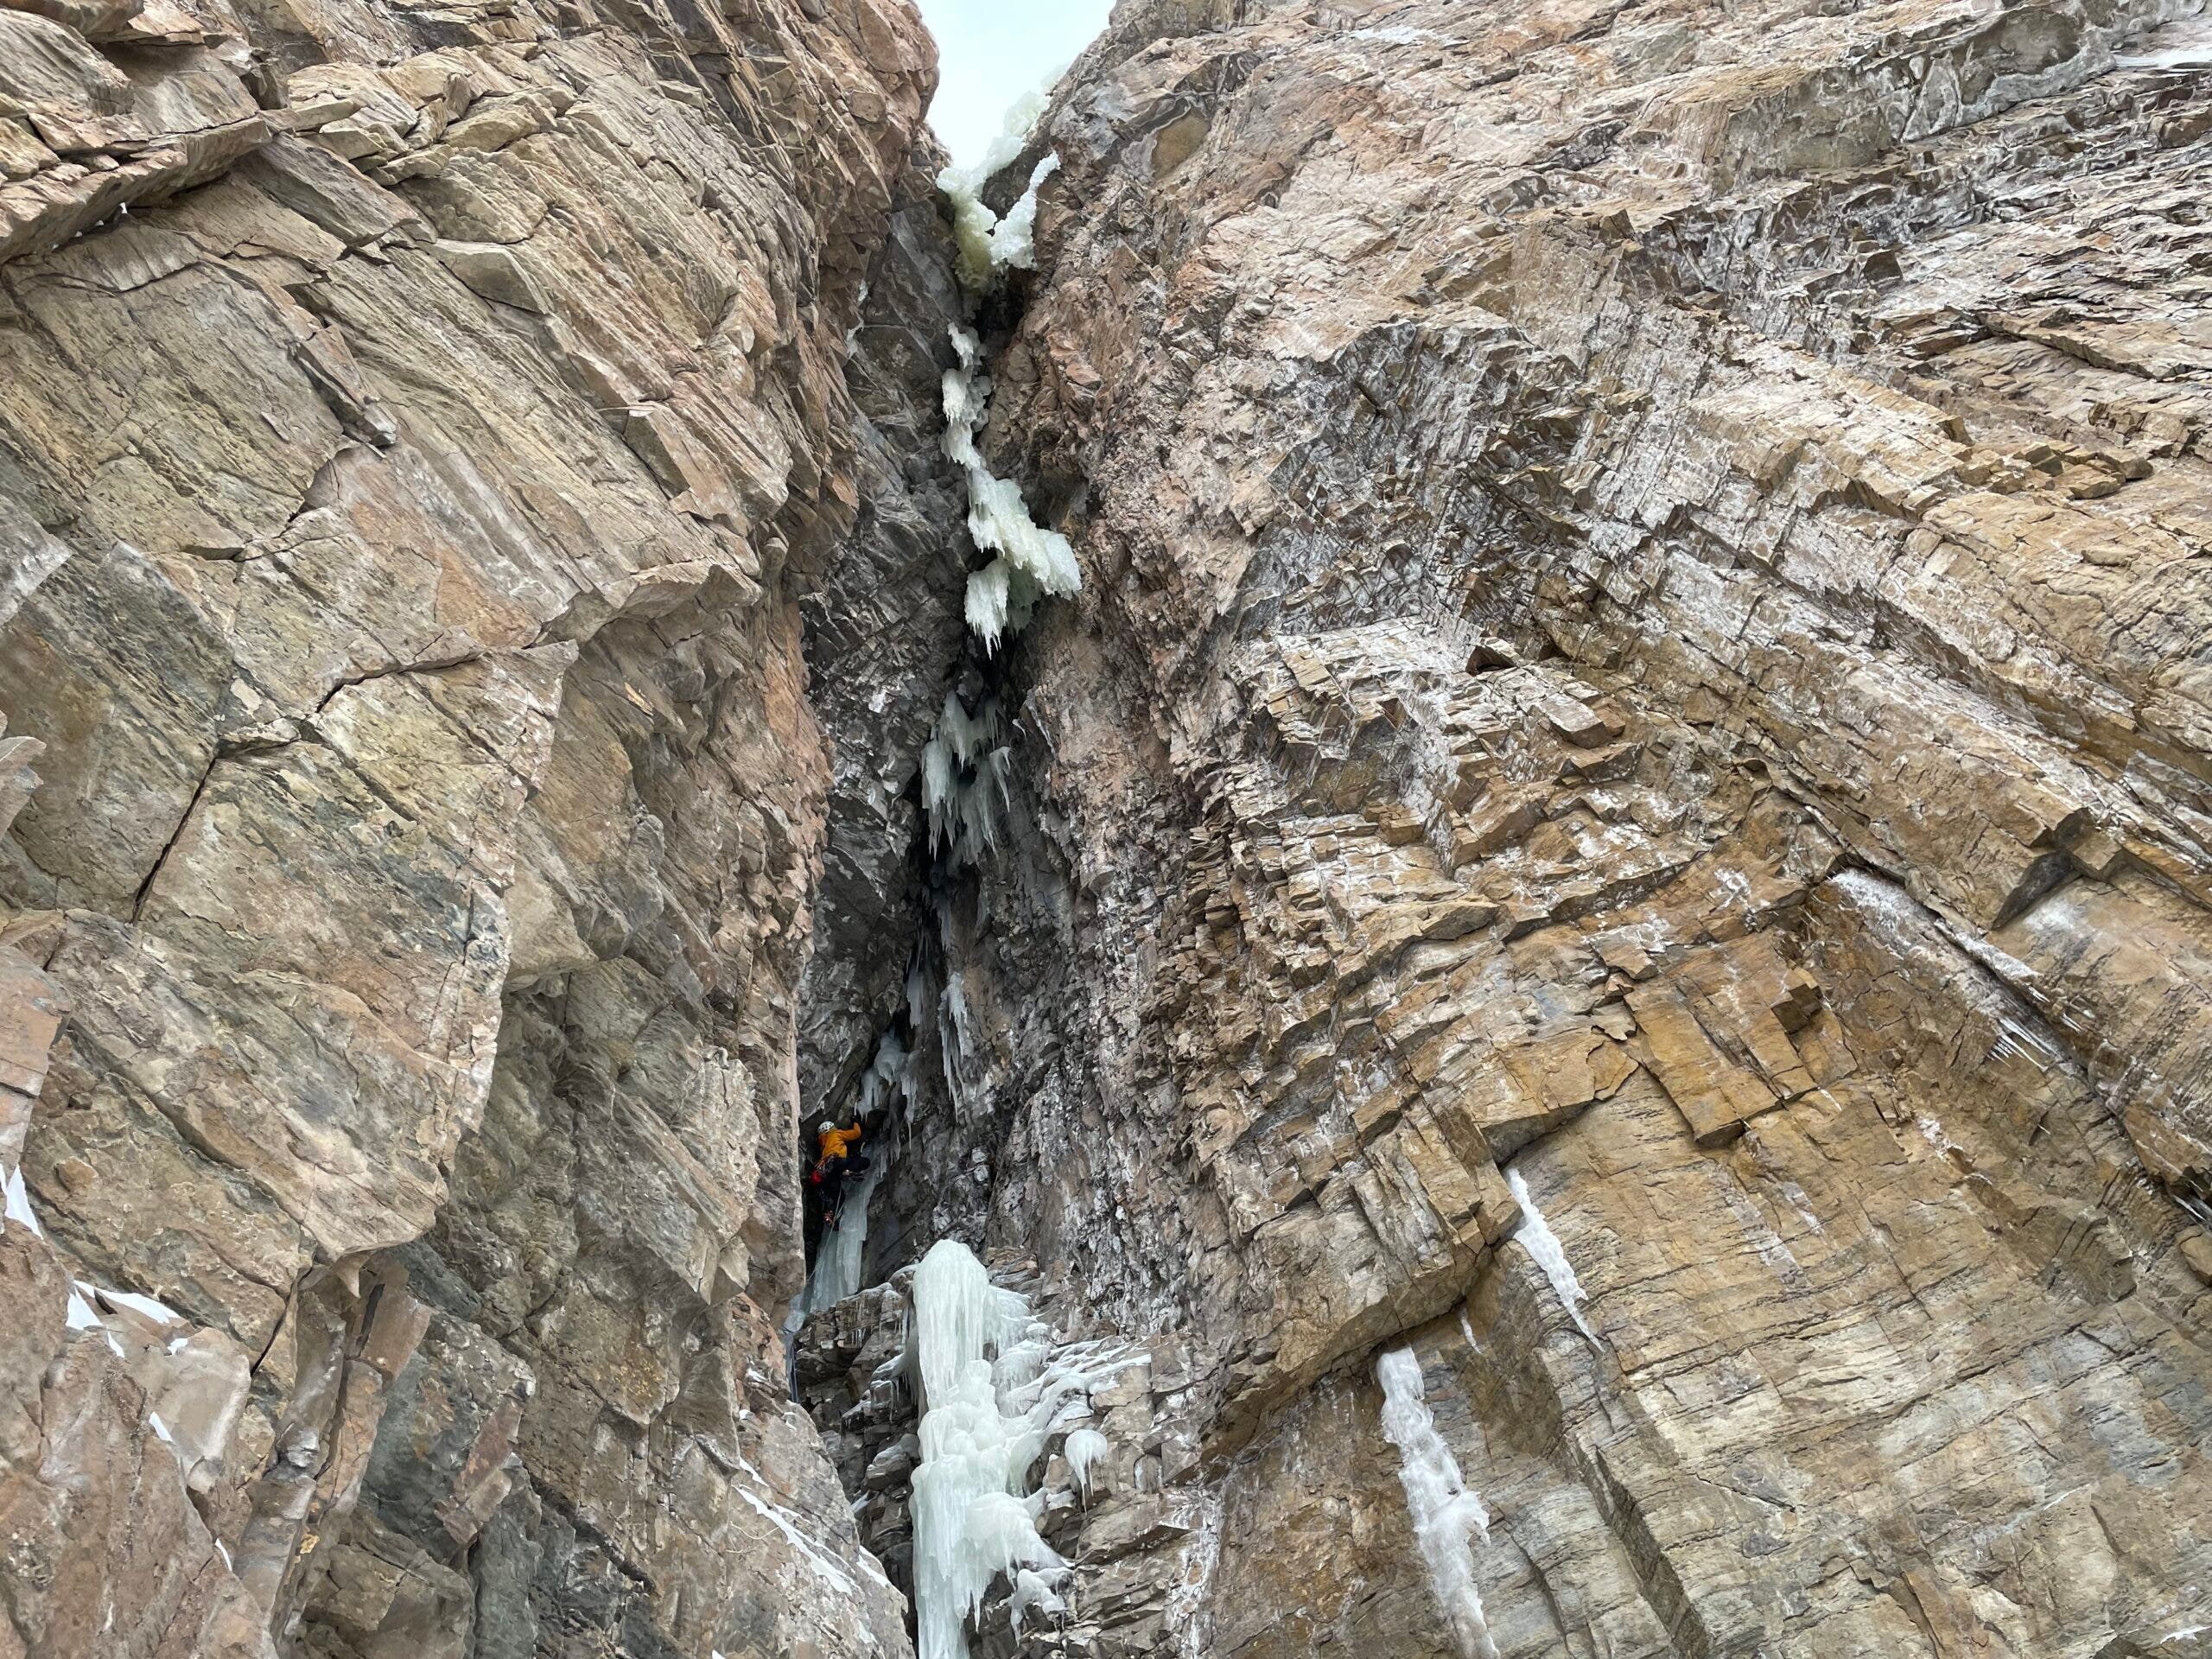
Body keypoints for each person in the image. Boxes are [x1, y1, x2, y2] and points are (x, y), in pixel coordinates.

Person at [811, 1116, 866, 1227]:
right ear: (831, 1128)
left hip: (826, 1175)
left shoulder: (823, 1144)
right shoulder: (835, 1134)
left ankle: (830, 1214)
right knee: (864, 1161)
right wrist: (856, 1122)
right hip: (837, 1163)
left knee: (839, 1197)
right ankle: (846, 1172)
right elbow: (856, 1133)